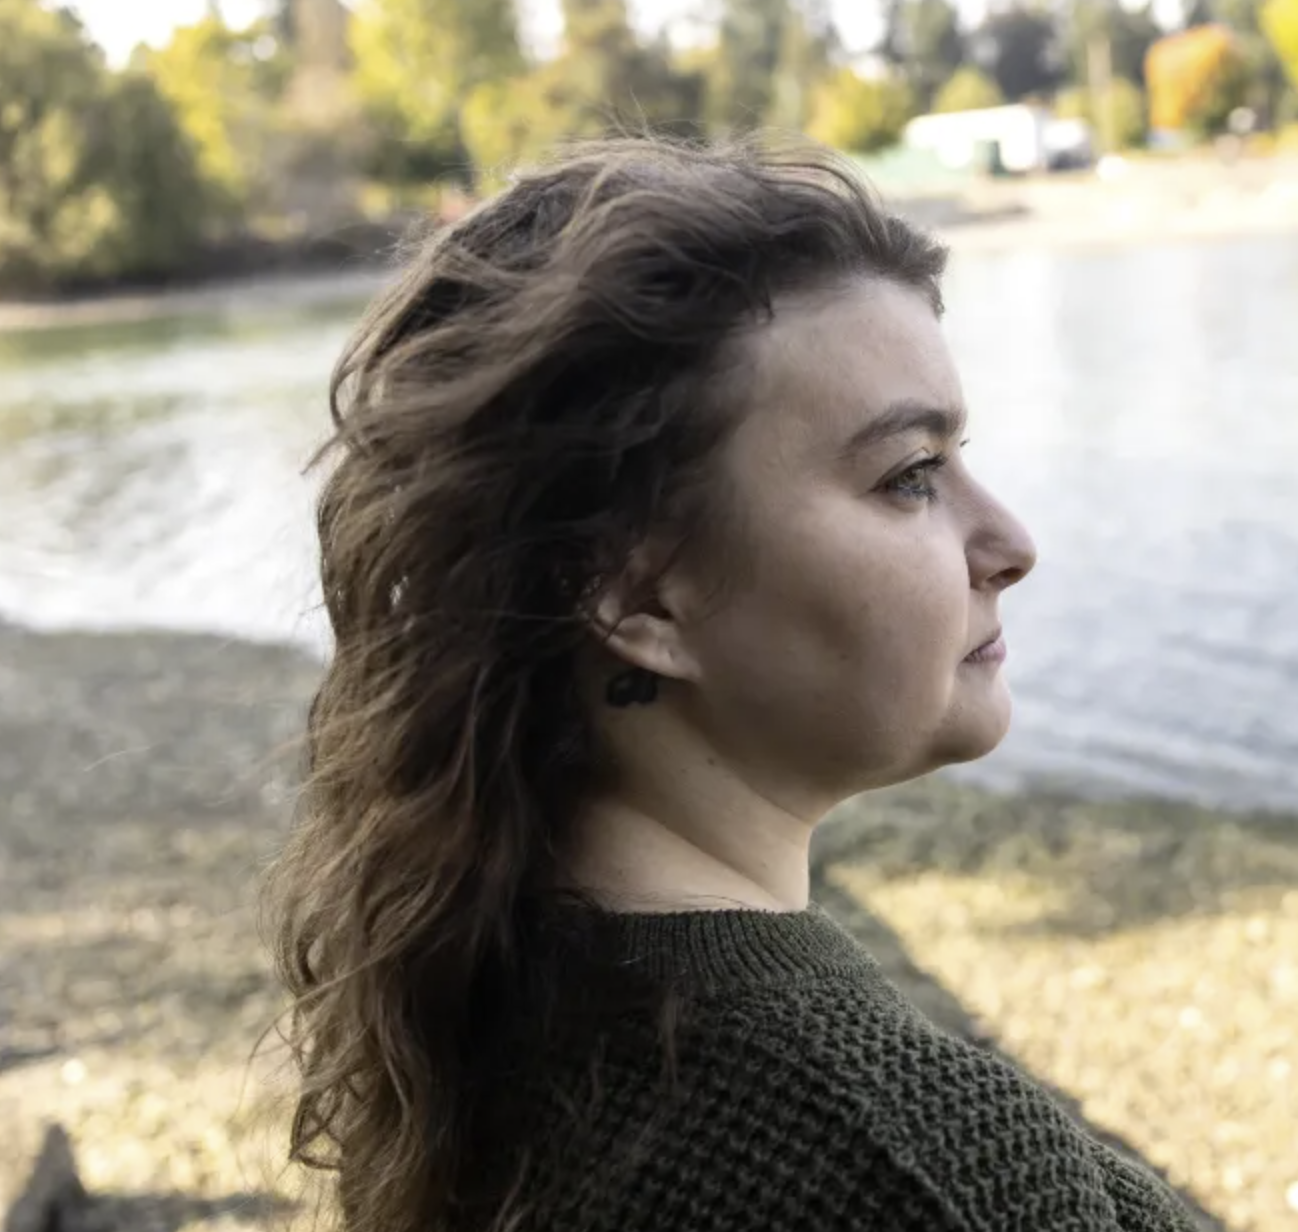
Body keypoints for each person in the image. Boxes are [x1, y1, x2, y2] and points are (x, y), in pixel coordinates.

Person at [261, 133, 1200, 1232]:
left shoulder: (491, 1001)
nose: (1010, 541)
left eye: (961, 460)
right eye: (909, 477)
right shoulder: (910, 1168)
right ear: (640, 600)